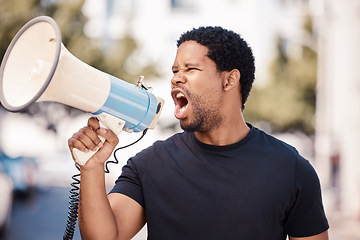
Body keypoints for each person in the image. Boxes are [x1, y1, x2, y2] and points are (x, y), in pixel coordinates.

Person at [68, 26, 329, 240]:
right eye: (174, 71)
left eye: (190, 69)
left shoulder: (291, 169)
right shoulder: (150, 164)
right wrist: (91, 169)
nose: (176, 78)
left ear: (229, 80)